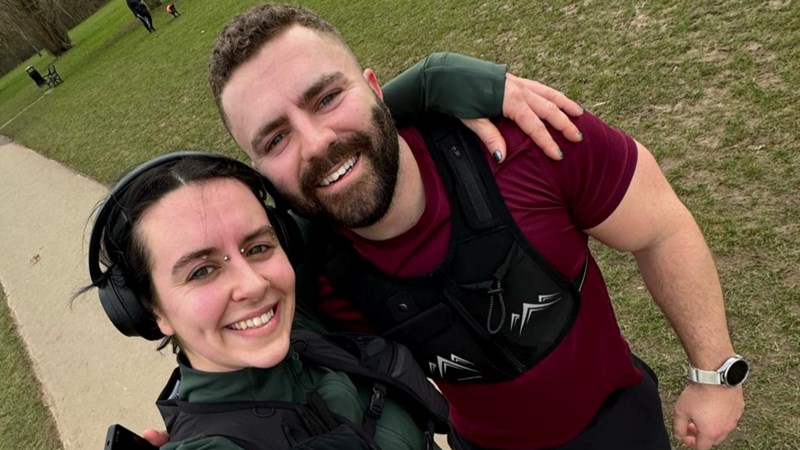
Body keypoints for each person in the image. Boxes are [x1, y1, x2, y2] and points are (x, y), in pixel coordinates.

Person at [188, 4, 748, 450]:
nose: (316, 144)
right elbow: (231, 364)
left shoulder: (525, 141)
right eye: (275, 139)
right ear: (260, 171)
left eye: (328, 97)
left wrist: (715, 373)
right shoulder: (302, 274)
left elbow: (661, 228)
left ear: (376, 88)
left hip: (618, 424)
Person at [83, 152, 452, 449]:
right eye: (202, 271)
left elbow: (355, 137)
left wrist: (459, 95)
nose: (254, 284)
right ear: (151, 310)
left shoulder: (295, 318)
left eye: (257, 247)